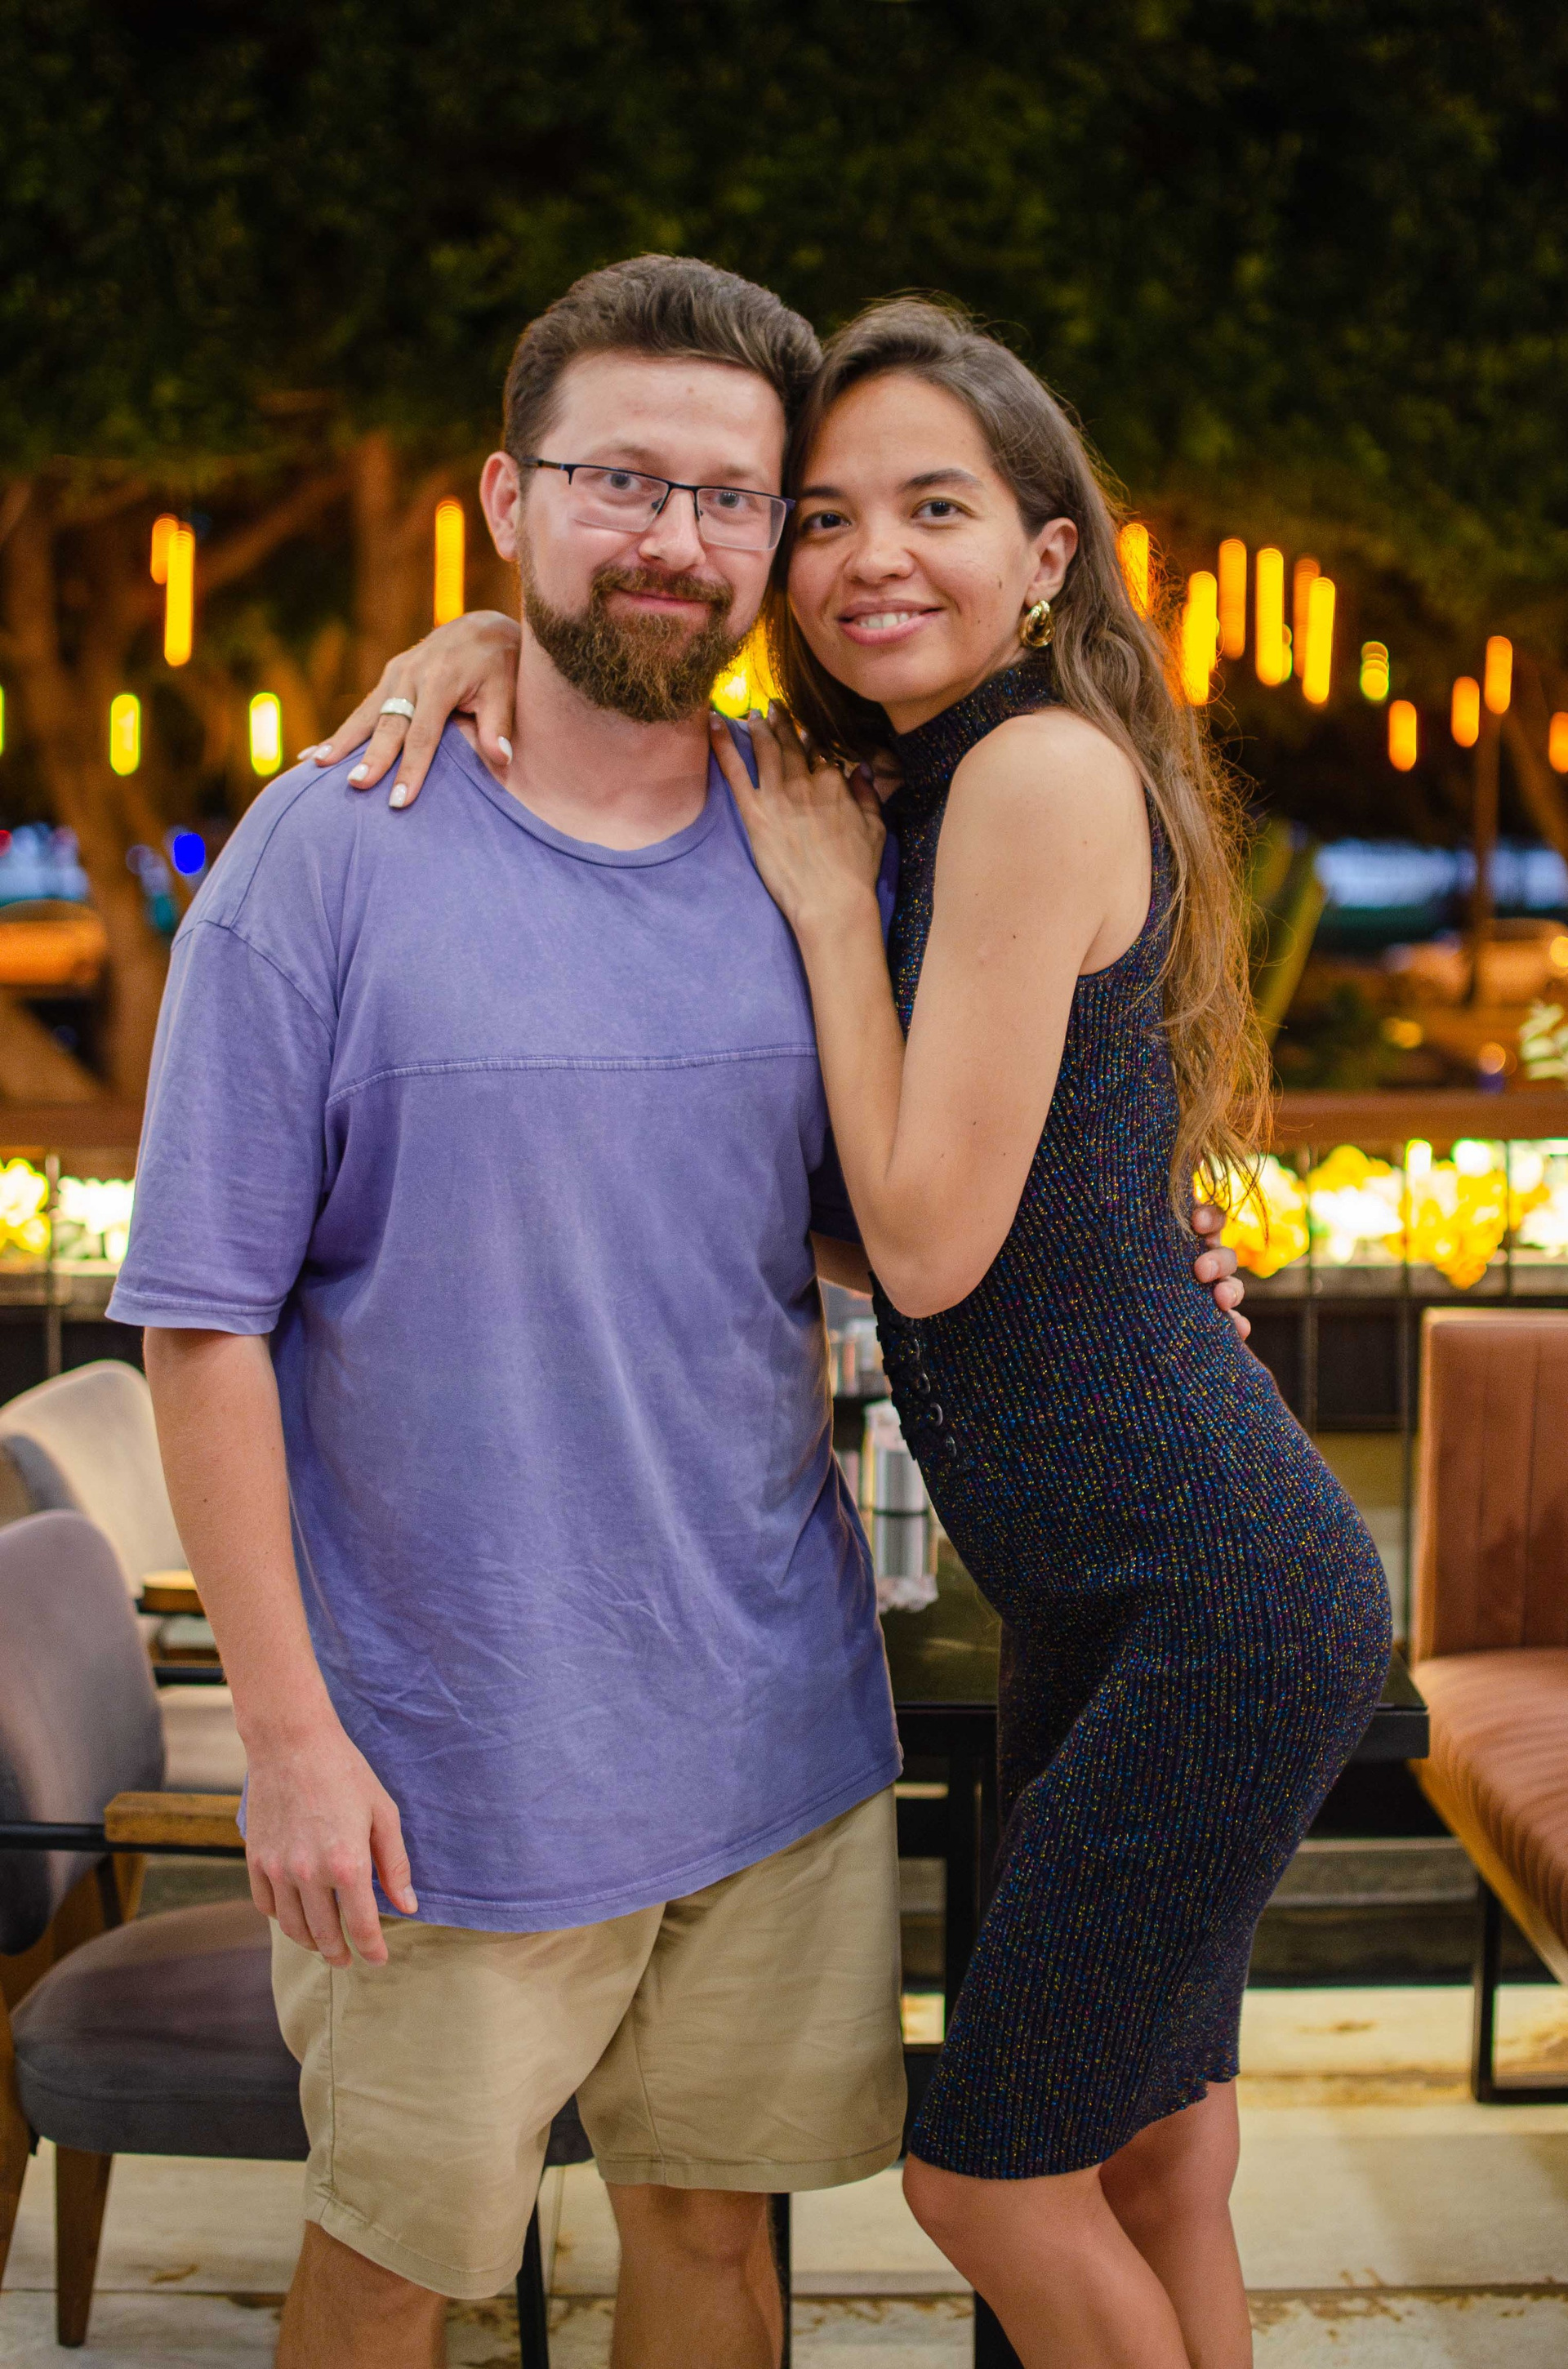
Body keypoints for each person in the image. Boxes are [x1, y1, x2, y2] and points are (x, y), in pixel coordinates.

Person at [117, 255, 1248, 2369]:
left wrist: (1126, 1265)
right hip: (448, 1764)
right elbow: (200, 1322)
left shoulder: (818, 833)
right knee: (393, 2274)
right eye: (620, 480)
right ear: (507, 499)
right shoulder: (328, 850)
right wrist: (288, 1743)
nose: (679, 536)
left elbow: (876, 1197)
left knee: (720, 2254)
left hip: (772, 1740)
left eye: (736, 498)